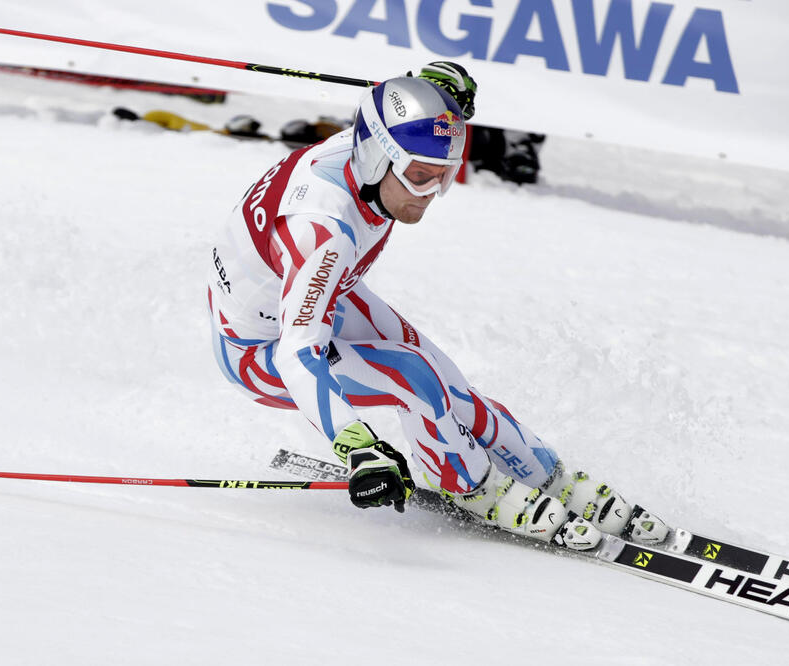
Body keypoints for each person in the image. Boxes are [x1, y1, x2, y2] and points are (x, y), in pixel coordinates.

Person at [207, 63, 668, 551]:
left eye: (443, 177)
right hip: (258, 350)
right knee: (414, 376)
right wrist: (359, 448)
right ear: (375, 159)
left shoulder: (367, 151)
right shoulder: (324, 231)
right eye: (419, 177)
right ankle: (471, 486)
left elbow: (389, 112)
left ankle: (548, 476)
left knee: (445, 379)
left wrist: (436, 98)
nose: (428, 194)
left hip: (310, 296)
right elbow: (297, 354)